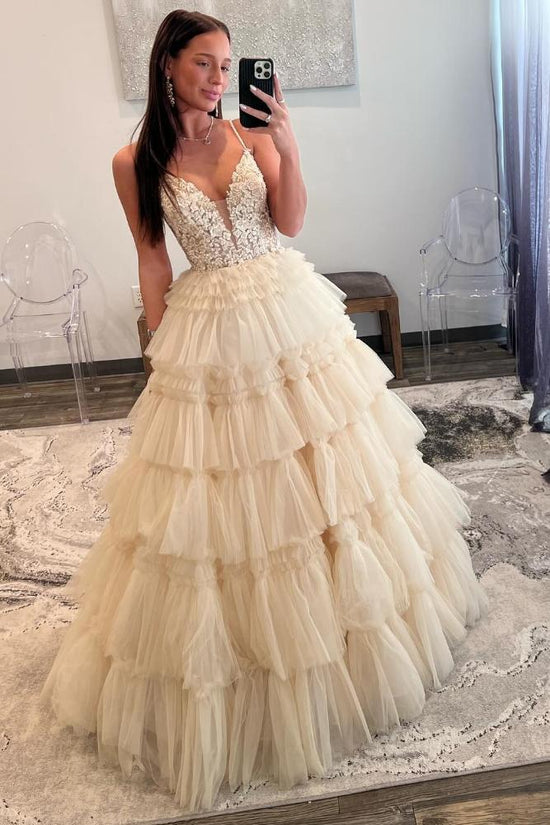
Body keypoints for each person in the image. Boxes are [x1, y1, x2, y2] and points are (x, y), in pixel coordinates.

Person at [40, 9, 489, 814]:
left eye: (226, 64)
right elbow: (151, 256)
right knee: (221, 500)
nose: (219, 78)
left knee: (326, 472)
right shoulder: (133, 160)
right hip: (207, 325)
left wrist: (287, 139)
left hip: (285, 308)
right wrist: (159, 350)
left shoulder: (249, 130)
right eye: (203, 64)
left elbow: (291, 220)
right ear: (167, 65)